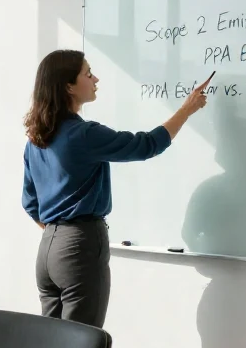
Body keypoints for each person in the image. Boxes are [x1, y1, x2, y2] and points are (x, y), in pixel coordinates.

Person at [22, 50, 210, 327]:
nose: (95, 78)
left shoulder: (36, 139)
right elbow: (146, 145)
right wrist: (187, 109)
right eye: (87, 73)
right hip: (79, 244)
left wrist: (60, 232)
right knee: (79, 346)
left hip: (48, 249)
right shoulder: (83, 135)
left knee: (51, 345)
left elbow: (30, 205)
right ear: (68, 86)